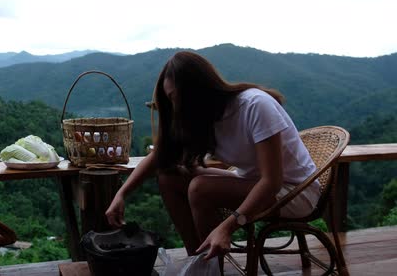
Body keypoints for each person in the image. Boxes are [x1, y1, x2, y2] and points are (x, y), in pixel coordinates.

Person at [105, 51, 320, 260]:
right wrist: (122, 194)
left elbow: (271, 182)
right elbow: (160, 156)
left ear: (196, 90)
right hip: (250, 182)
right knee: (169, 175)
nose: (174, 107)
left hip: (294, 191)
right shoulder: (203, 119)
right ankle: (197, 258)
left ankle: (209, 267)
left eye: (174, 97)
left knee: (200, 188)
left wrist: (227, 227)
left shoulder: (255, 106)